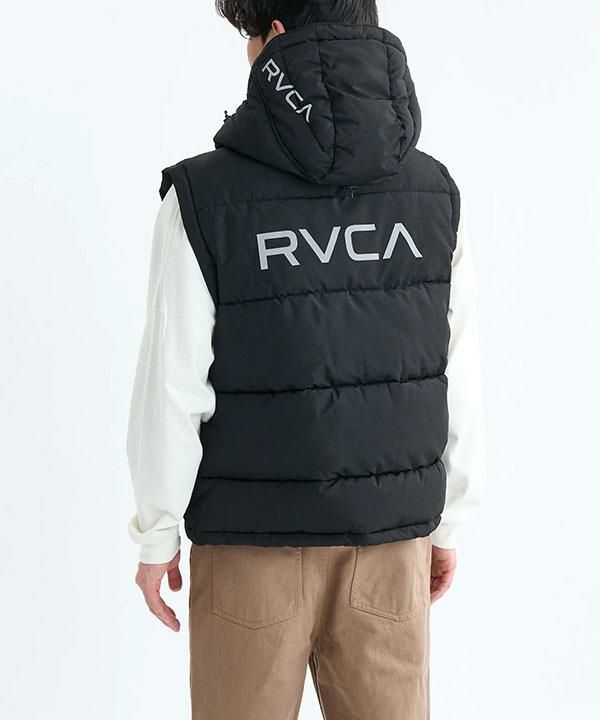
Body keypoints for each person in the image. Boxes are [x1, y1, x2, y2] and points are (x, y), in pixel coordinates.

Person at [127, 1, 485, 717]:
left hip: (249, 547)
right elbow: (457, 373)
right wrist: (448, 520)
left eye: (249, 37)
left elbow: (172, 384)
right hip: (390, 543)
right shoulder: (433, 194)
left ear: (276, 38)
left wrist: (156, 531)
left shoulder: (203, 196)